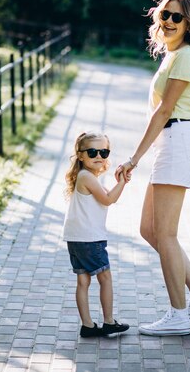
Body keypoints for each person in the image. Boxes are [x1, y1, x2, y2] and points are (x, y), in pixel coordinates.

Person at [115, 0, 190, 336]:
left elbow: (164, 110)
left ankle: (178, 315)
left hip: (177, 140)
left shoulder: (186, 56)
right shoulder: (174, 55)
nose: (170, 21)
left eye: (178, 16)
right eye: (165, 14)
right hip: (170, 143)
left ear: (189, 24)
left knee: (166, 234)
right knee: (150, 229)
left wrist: (133, 157)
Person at [63, 131, 131, 338]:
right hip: (89, 238)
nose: (99, 156)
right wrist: (122, 182)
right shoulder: (86, 177)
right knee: (105, 278)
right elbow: (108, 200)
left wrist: (119, 182)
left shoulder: (87, 176)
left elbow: (107, 198)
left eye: (104, 151)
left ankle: (88, 325)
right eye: (92, 152)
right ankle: (109, 322)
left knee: (83, 282)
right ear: (80, 155)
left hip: (77, 238)